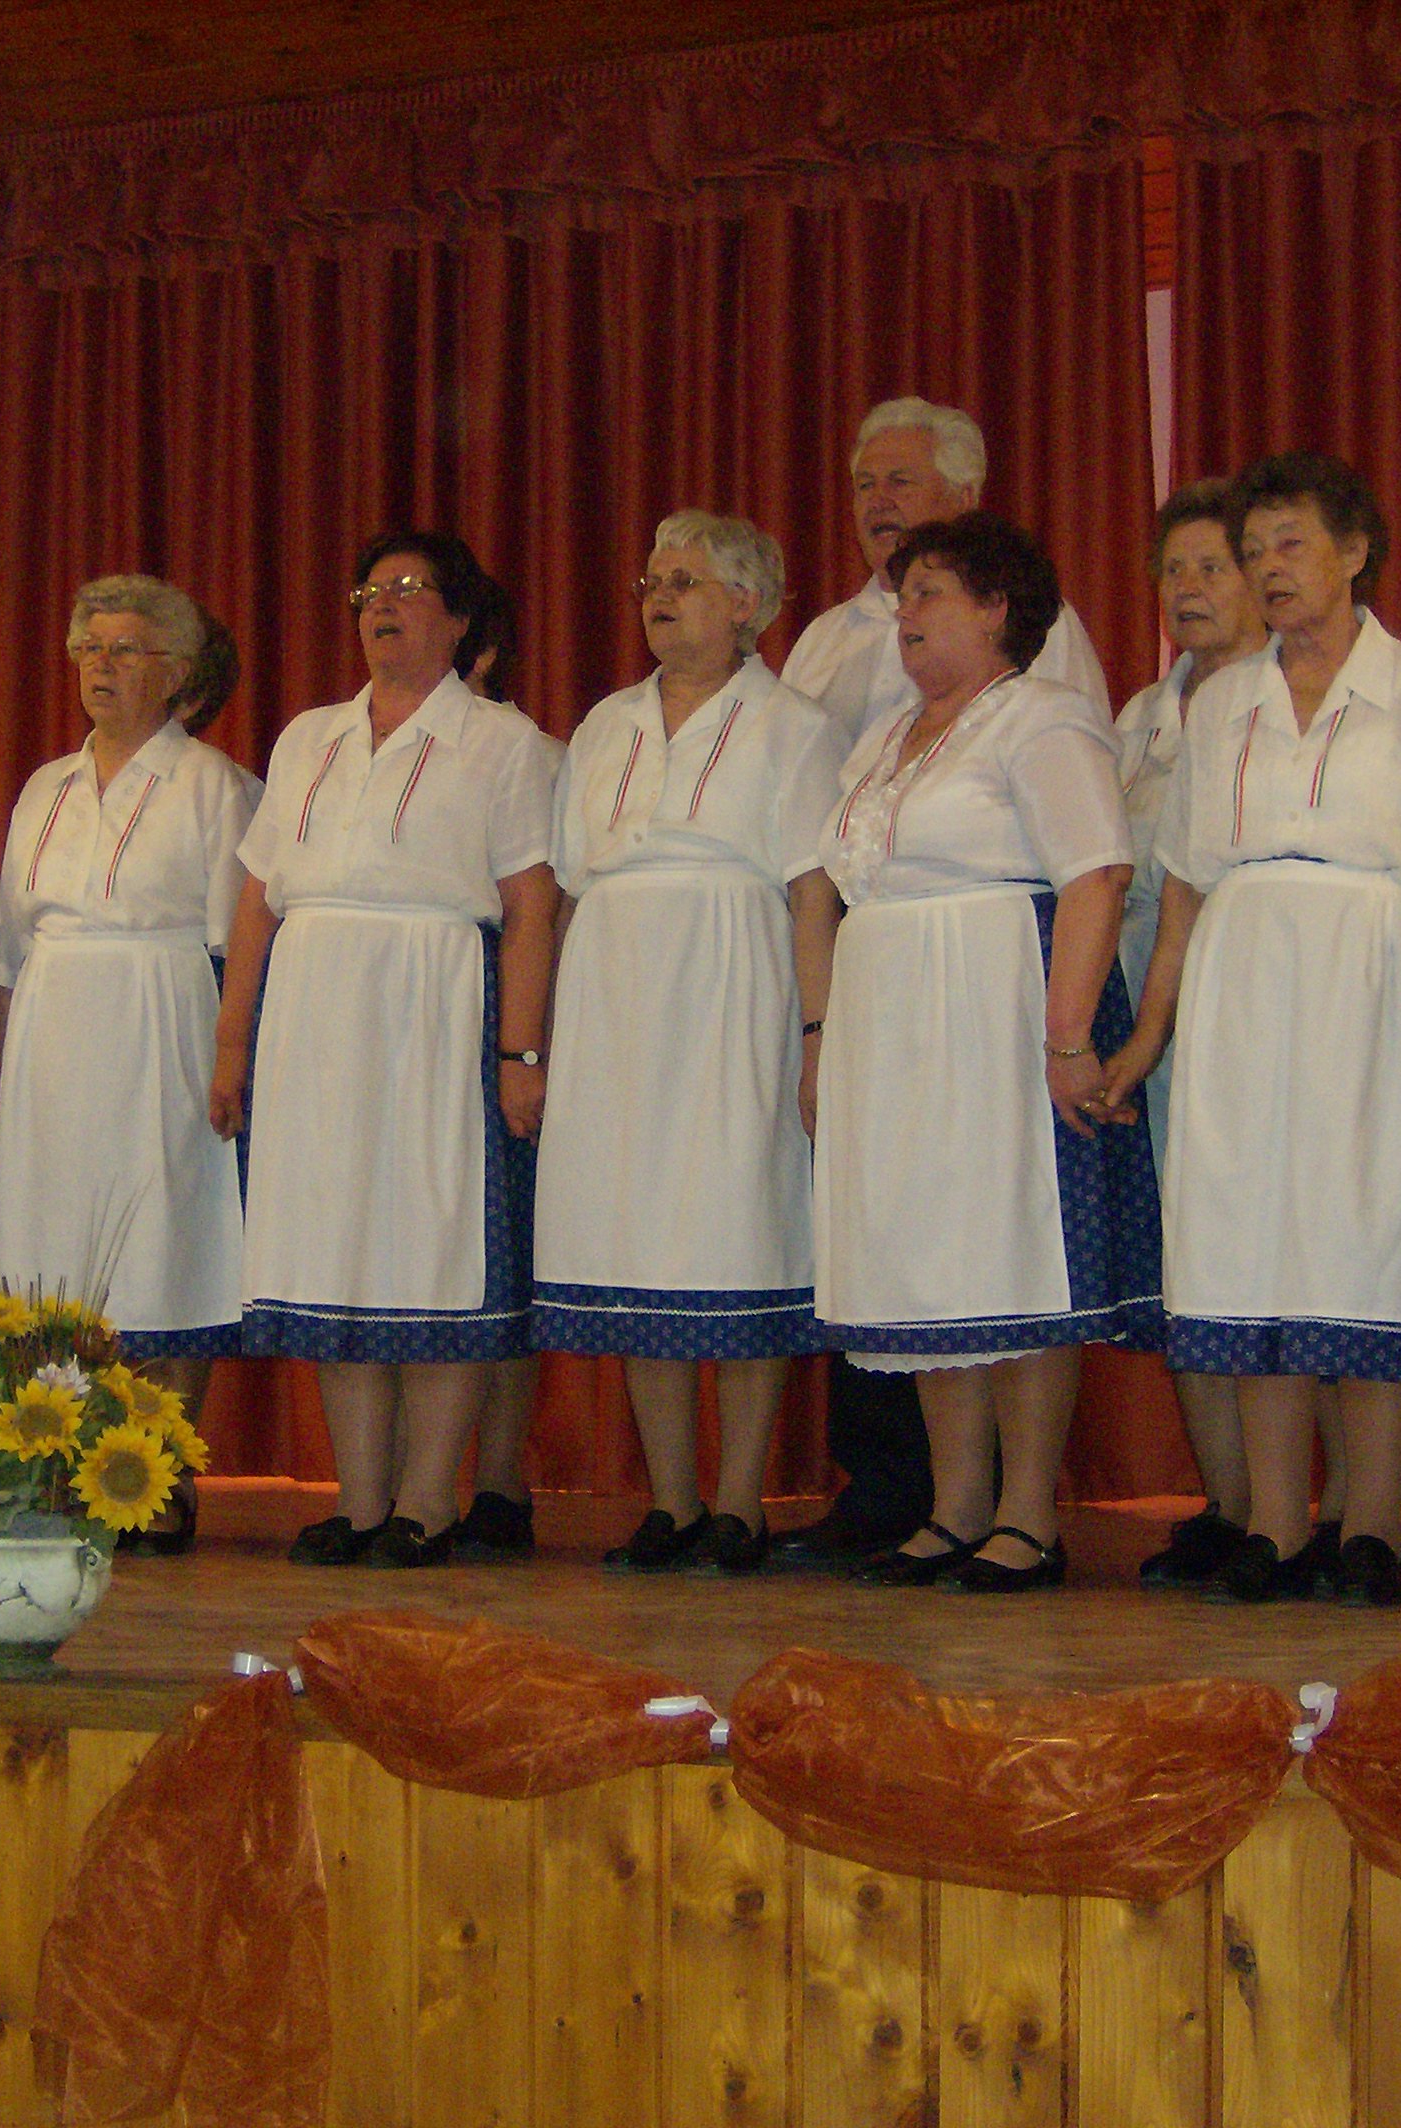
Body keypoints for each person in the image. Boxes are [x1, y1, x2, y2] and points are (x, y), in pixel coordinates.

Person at [1102, 452, 1401, 1608]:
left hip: (1374, 982)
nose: (1267, 569)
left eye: (1289, 544)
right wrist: (1146, 1039)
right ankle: (1278, 1523)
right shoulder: (1219, 703)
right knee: (1251, 1242)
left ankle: (1369, 1524)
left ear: (1353, 552)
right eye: (1253, 551)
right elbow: (1184, 888)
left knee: (1368, 1237)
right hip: (1241, 988)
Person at [775, 394, 1113, 1569]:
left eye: (928, 595)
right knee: (925, 1258)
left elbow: (1094, 875)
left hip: (992, 1006)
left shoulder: (1042, 718)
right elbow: (825, 884)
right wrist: (823, 1035)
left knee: (1010, 1253)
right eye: (904, 596)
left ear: (995, 609)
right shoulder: (885, 741)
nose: (905, 615)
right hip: (891, 1018)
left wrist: (1066, 1036)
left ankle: (1028, 1512)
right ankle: (954, 1504)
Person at [212, 531, 559, 1568]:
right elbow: (257, 900)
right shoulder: (308, 736)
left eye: (410, 589)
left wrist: (520, 1054)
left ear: (458, 619)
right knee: (336, 1249)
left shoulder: (503, 741)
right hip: (312, 1014)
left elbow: (529, 906)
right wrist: (232, 1040)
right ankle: (359, 1502)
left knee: (433, 1246)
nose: (383, 605)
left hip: (436, 1003)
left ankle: (427, 1502)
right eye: (370, 589)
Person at [537, 512, 842, 1573]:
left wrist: (817, 1035)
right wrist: (541, 1038)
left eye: (685, 581)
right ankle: (669, 1501)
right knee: (636, 1244)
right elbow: (565, 889)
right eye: (651, 581)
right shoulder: (605, 724)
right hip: (613, 995)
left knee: (738, 1228)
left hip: (733, 983)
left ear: (747, 604)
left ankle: (739, 1502)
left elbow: (812, 891)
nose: (659, 598)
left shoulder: (795, 725)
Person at [1102, 481, 1348, 1588]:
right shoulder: (1140, 720)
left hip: (1279, 997)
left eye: (1214, 567)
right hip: (1156, 1010)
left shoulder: (1298, 701)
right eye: (1174, 570)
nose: (1189, 589)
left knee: (1309, 1250)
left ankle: (1334, 1508)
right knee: (1191, 1259)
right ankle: (1234, 1501)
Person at [0, 576, 258, 1556]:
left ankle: (156, 1479)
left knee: (163, 1243)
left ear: (175, 672)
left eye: (125, 649)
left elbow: (238, 946)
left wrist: (227, 1060)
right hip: (51, 1032)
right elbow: (8, 953)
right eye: (89, 647)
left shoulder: (215, 786)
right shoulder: (43, 788)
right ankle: (56, 1470)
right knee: (47, 1246)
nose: (100, 665)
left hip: (163, 1022)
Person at [445, 574, 545, 1560]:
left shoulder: (526, 752)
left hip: (503, 1020)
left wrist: (527, 1046)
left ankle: (500, 1477)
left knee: (499, 1255)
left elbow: (541, 910)